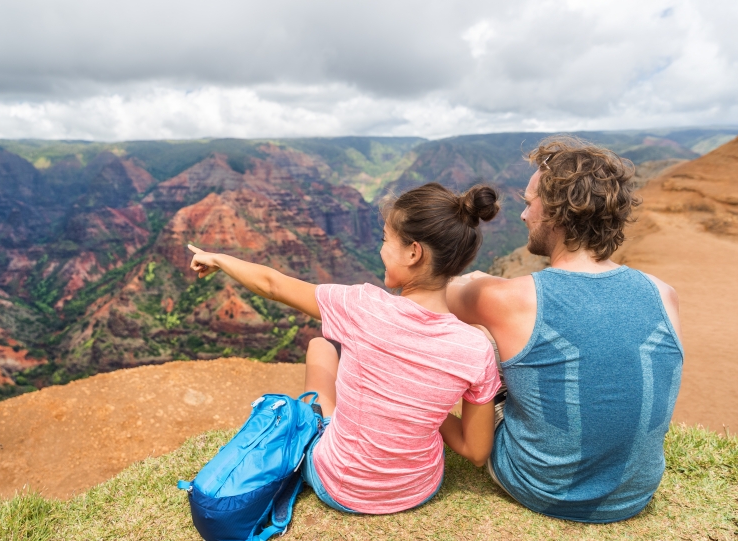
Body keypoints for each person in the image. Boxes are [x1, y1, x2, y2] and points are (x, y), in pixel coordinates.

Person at [188, 182, 502, 515]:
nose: (381, 250)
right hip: (417, 490)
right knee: (329, 350)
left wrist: (219, 258)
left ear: (413, 252)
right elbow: (476, 450)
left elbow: (273, 285)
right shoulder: (474, 347)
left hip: (338, 485)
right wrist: (422, 409)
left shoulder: (361, 306)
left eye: (385, 240)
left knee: (320, 345)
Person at [447, 137, 684, 523]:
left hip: (541, 488)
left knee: (477, 341)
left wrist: (479, 280)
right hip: (635, 494)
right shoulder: (664, 294)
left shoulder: (507, 299)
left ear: (556, 212)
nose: (523, 216)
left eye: (528, 203)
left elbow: (432, 294)